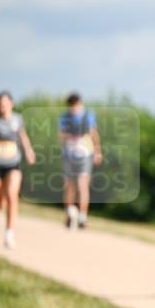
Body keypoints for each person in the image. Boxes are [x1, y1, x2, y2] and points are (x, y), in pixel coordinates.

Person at [0, 92, 37, 248]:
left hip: (13, 162)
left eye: (5, 103)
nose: (2, 106)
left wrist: (29, 151)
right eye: (0, 104)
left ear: (11, 103)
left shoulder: (17, 119)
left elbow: (22, 136)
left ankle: (9, 233)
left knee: (11, 196)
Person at [59, 93, 102, 229]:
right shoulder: (65, 118)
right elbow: (60, 136)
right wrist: (70, 135)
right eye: (72, 105)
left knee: (83, 185)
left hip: (85, 154)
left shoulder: (88, 116)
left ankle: (83, 216)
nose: (74, 107)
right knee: (69, 186)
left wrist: (97, 151)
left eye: (76, 104)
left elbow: (94, 133)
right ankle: (69, 214)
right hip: (70, 155)